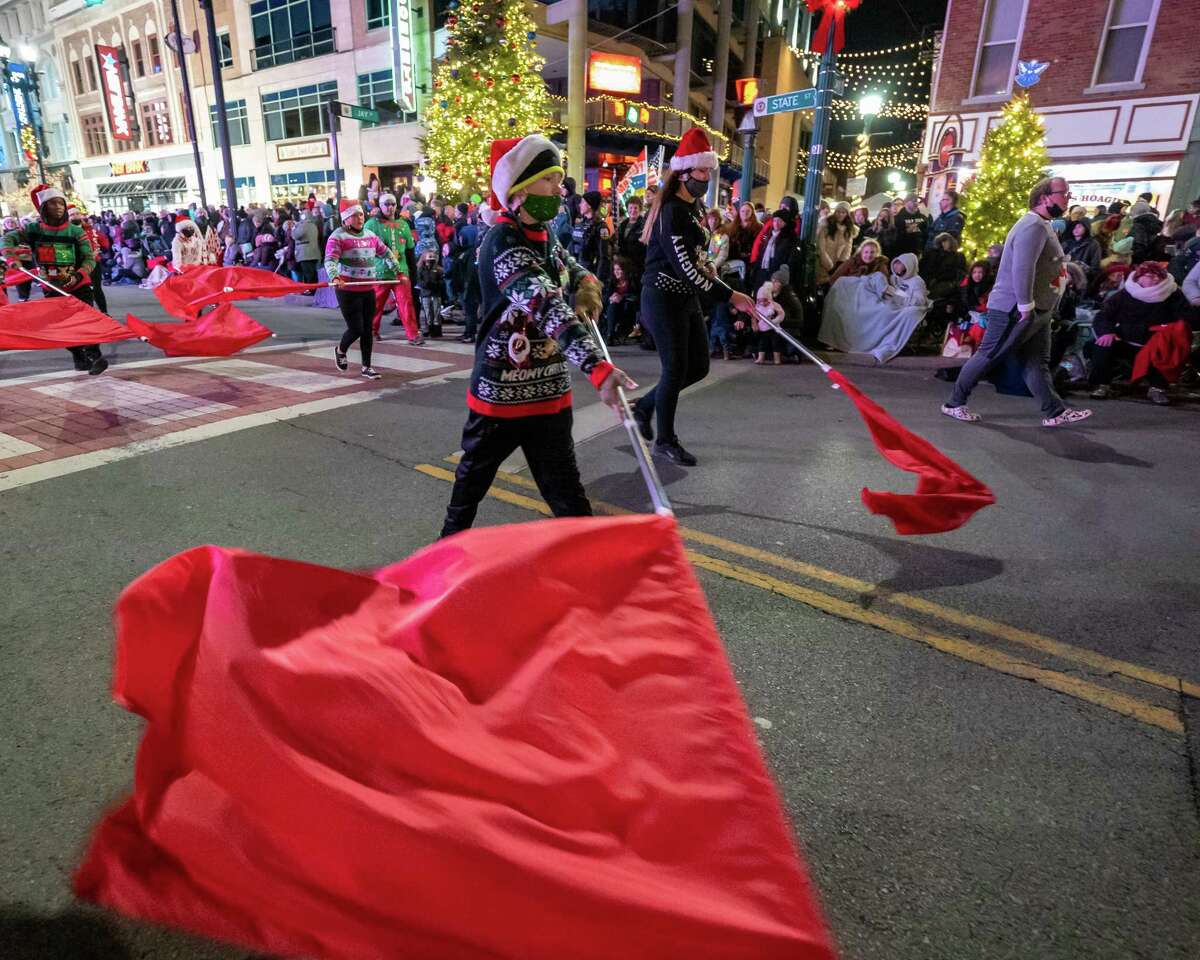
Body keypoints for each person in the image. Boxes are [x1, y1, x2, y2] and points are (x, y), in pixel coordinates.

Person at [439, 134, 635, 537]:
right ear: (519, 188)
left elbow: (570, 269)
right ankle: (443, 557)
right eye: (549, 179)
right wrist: (597, 368)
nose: (558, 189)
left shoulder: (546, 235)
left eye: (559, 178)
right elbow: (543, 302)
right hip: (502, 396)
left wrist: (585, 285)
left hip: (548, 395)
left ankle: (592, 569)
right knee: (470, 487)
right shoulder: (501, 239)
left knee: (567, 493)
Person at [632, 127, 755, 466]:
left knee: (698, 367)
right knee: (675, 368)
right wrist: (731, 296)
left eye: (707, 172)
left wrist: (712, 271)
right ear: (684, 172)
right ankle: (665, 441)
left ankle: (643, 407)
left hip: (685, 297)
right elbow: (685, 267)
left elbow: (697, 257)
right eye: (702, 171)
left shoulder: (695, 207)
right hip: (661, 297)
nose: (706, 177)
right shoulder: (671, 210)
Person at [942, 177, 1092, 427]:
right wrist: (1025, 305)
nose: (1068, 197)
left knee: (1036, 362)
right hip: (1016, 307)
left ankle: (1055, 412)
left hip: (1036, 307)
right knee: (988, 354)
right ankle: (954, 403)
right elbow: (1023, 268)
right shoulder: (1032, 226)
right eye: (1063, 193)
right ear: (1045, 198)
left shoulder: (1042, 225)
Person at [4, 184, 107, 375]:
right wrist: (12, 258)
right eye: (53, 203)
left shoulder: (76, 232)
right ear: (44, 207)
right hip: (51, 287)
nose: (59, 207)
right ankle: (79, 356)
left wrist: (78, 275)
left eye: (61, 203)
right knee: (64, 326)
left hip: (79, 284)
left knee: (86, 320)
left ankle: (95, 356)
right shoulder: (34, 229)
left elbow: (89, 258)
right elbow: (7, 239)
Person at [1088, 261, 1193, 405]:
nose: (1155, 279)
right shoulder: (1125, 294)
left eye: (1159, 277)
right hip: (1126, 338)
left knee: (1165, 347)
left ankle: (1158, 388)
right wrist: (1107, 332)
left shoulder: (1173, 294)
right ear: (1139, 278)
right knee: (1102, 345)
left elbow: (1187, 317)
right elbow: (1104, 315)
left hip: (1156, 340)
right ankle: (1102, 385)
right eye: (1150, 276)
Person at [324, 197, 400, 381]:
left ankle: (367, 366)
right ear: (345, 219)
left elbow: (385, 252)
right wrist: (335, 276)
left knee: (367, 330)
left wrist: (398, 270)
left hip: (367, 288)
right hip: (347, 289)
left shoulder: (370, 235)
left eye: (361, 214)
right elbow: (330, 260)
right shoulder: (337, 236)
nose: (360, 218)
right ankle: (341, 350)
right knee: (356, 328)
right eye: (355, 215)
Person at [365, 193, 421, 344]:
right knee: (376, 305)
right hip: (380, 272)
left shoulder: (403, 224)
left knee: (406, 304)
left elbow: (410, 250)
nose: (390, 208)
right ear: (380, 206)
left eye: (393, 204)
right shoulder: (371, 225)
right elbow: (365, 248)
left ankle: (413, 334)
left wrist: (413, 272)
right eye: (386, 204)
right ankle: (372, 331)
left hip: (401, 272)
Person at [68, 205, 109, 314]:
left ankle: (104, 312)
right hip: (77, 265)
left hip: (94, 263)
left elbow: (102, 240)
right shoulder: (67, 231)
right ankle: (85, 314)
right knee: (80, 290)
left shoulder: (90, 229)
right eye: (72, 215)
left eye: (77, 214)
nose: (75, 216)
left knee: (97, 289)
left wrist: (102, 248)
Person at [569, 189, 610, 281]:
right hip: (575, 270)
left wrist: (598, 280)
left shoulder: (601, 227)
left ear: (589, 206)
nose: (580, 205)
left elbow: (604, 257)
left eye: (582, 202)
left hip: (590, 273)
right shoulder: (580, 223)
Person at [920, 232, 968, 300]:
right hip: (926, 283)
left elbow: (960, 273)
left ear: (951, 242)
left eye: (946, 241)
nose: (943, 243)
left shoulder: (958, 257)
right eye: (942, 241)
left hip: (945, 285)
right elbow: (923, 266)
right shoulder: (933, 253)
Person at [602, 255, 638, 344]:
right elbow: (604, 298)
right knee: (612, 305)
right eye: (615, 270)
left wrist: (622, 297)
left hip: (629, 307)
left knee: (618, 304)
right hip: (614, 308)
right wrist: (610, 297)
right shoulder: (611, 281)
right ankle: (610, 334)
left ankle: (612, 334)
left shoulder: (633, 280)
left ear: (625, 270)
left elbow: (637, 296)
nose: (616, 272)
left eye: (618, 270)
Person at [816, 203, 853, 284]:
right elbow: (821, 247)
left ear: (847, 214)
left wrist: (840, 265)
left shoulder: (848, 230)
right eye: (838, 212)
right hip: (822, 264)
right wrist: (829, 265)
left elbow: (847, 249)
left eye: (843, 212)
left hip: (836, 266)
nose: (840, 214)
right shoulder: (826, 225)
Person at [752, 280, 786, 365]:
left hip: (774, 328)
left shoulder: (774, 305)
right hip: (762, 329)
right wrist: (755, 324)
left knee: (776, 343)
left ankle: (777, 359)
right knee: (762, 343)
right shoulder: (757, 307)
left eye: (765, 300)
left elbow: (782, 314)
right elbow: (753, 316)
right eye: (761, 301)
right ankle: (761, 358)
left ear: (769, 298)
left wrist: (775, 321)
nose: (763, 303)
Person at [292, 211, 321, 287]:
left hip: (305, 254)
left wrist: (294, 228)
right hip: (313, 253)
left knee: (308, 273)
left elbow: (295, 235)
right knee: (312, 273)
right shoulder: (313, 225)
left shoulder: (304, 225)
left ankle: (310, 289)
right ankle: (313, 289)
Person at [617, 196, 646, 267]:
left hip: (638, 264)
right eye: (631, 208)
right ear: (627, 209)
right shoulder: (622, 224)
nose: (633, 210)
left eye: (635, 208)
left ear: (640, 209)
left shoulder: (644, 225)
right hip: (624, 263)